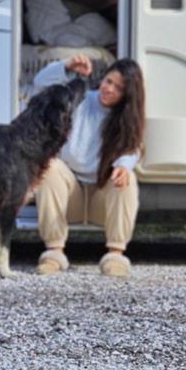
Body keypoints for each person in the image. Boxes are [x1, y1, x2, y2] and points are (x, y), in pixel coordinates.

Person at [32, 54, 145, 277]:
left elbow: (134, 149)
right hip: (70, 193)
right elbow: (40, 84)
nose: (109, 89)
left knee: (127, 178)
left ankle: (115, 255)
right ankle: (54, 254)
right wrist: (65, 65)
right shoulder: (81, 98)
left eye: (119, 88)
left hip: (100, 199)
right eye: (108, 81)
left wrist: (123, 165)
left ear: (127, 95)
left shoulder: (127, 118)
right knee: (50, 166)